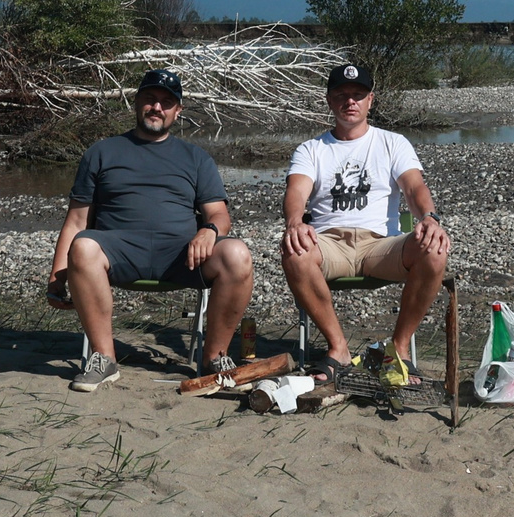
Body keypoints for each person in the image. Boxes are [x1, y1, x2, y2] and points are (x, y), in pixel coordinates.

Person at [47, 67, 255, 393]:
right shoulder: (102, 152)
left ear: (178, 110)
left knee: (238, 254)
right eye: (150, 99)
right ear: (137, 102)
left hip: (182, 255)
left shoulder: (195, 157)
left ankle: (215, 357)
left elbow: (219, 213)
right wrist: (57, 274)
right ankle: (104, 359)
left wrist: (209, 231)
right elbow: (76, 220)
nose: (157, 107)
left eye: (166, 102)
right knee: (84, 245)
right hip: (120, 251)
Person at [281, 60, 451, 381]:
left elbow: (414, 187)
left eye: (358, 94)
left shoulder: (392, 142)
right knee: (295, 252)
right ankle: (338, 349)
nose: (350, 101)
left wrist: (428, 218)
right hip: (329, 243)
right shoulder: (311, 149)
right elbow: (296, 191)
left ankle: (398, 349)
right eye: (342, 94)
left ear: (370, 100)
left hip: (381, 245)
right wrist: (294, 221)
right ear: (330, 100)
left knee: (434, 249)